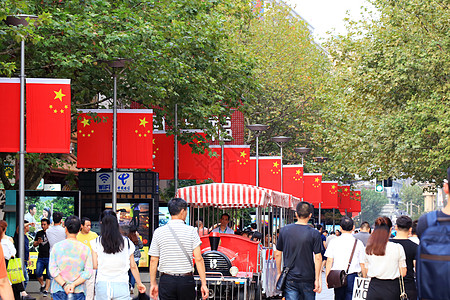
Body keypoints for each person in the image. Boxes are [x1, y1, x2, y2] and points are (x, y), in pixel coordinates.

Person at [149, 198, 208, 300]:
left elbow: (153, 260)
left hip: (166, 280)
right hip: (186, 280)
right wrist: (204, 284)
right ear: (182, 211)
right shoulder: (192, 231)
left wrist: (153, 283)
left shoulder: (158, 232)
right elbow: (198, 259)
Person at [91, 210, 146, 299]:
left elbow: (94, 265)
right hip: (122, 284)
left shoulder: (96, 242)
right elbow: (133, 266)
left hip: (102, 284)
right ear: (116, 224)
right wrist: (139, 283)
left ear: (101, 224)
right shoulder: (127, 242)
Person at [275, 202, 323, 300]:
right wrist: (317, 279)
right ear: (310, 215)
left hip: (290, 278)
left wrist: (279, 273)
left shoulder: (284, 230)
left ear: (296, 214)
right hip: (308, 277)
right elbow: (318, 257)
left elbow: (278, 254)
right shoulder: (314, 233)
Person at [49, 215, 93, 300]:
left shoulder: (56, 247)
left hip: (59, 289)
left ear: (65, 229)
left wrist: (64, 285)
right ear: (79, 230)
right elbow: (88, 272)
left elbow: (53, 270)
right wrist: (73, 285)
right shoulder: (85, 249)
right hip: (78, 290)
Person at [364, 217, 406, 300]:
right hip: (391, 289)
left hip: (373, 288)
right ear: (390, 230)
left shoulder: (368, 248)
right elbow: (403, 272)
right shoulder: (397, 248)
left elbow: (366, 271)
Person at [325, 217, 366, 300]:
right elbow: (362, 263)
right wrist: (364, 278)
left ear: (340, 228)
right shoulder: (358, 243)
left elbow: (329, 260)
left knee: (338, 297)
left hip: (337, 276)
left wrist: (327, 277)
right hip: (353, 276)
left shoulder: (334, 241)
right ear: (353, 227)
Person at [391, 215, 417, 300]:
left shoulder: (387, 245)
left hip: (390, 286)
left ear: (396, 227)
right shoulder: (415, 247)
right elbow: (417, 268)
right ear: (410, 229)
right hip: (409, 287)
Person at [77, 217, 98, 300]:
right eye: (87, 225)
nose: (89, 227)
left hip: (91, 265)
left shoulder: (94, 235)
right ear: (81, 226)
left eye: (90, 225)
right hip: (79, 266)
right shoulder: (77, 236)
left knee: (90, 286)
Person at [34, 218, 51, 296]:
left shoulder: (51, 233)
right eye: (42, 224)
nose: (43, 226)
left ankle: (46, 290)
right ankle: (42, 285)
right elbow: (34, 244)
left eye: (44, 224)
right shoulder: (39, 233)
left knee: (48, 274)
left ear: (48, 225)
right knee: (37, 272)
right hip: (40, 256)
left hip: (49, 256)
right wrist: (38, 242)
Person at [14, 220, 31, 299]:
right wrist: (29, 223)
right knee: (25, 278)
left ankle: (22, 292)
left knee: (25, 278)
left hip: (25, 260)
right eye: (27, 226)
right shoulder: (19, 235)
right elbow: (19, 227)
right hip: (19, 260)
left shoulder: (25, 236)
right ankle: (22, 293)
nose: (28, 227)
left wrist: (29, 259)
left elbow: (27, 248)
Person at [127, 225, 143, 294]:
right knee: (133, 273)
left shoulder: (127, 238)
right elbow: (141, 246)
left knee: (128, 273)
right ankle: (132, 287)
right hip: (136, 258)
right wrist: (138, 237)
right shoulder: (137, 238)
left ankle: (128, 285)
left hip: (127, 258)